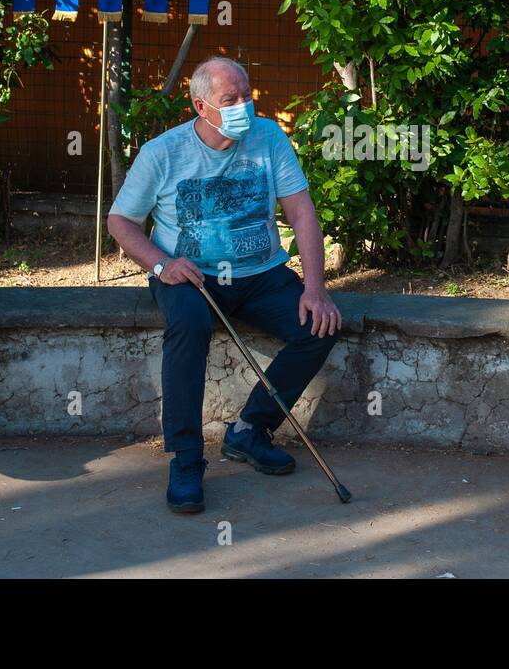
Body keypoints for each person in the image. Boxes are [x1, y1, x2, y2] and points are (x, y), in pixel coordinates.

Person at [108, 56, 342, 514]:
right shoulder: (163, 153)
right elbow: (120, 221)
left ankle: (251, 430)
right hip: (190, 276)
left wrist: (315, 287)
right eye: (229, 100)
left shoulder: (269, 137)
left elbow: (301, 211)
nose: (243, 107)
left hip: (261, 272)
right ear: (200, 105)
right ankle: (186, 460)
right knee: (189, 329)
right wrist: (161, 265)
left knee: (320, 326)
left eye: (247, 96)